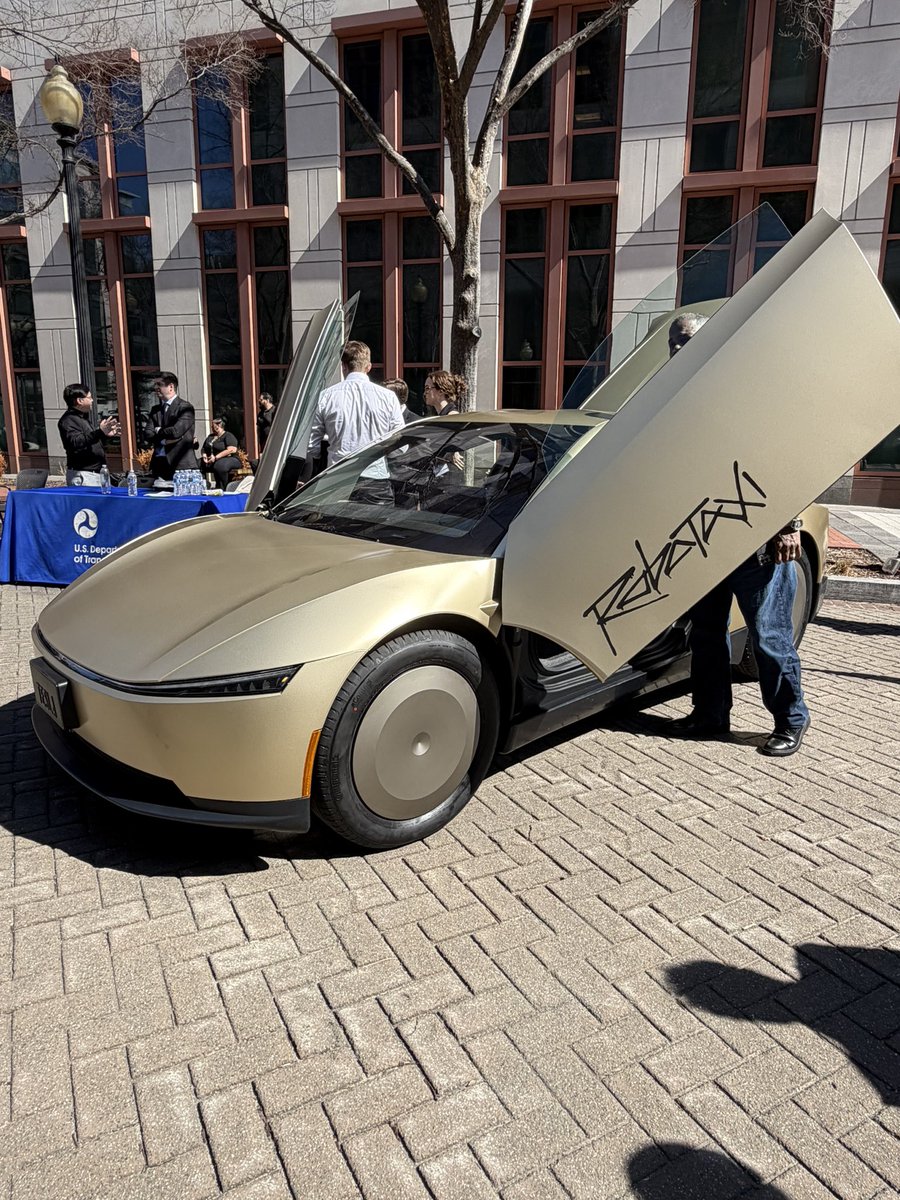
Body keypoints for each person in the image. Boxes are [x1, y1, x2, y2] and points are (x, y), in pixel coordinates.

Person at [666, 313, 810, 757]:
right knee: (706, 634)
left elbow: (787, 458)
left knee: (767, 635)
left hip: (757, 543)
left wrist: (789, 523)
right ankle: (710, 715)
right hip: (704, 542)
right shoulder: (675, 399)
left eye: (686, 340)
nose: (677, 349)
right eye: (673, 343)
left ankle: (791, 718)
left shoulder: (747, 392)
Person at [307, 341, 404, 504]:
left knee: (331, 528)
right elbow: (400, 439)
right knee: (379, 527)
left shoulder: (326, 396)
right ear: (368, 367)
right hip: (375, 477)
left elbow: (312, 446)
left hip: (337, 477)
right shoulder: (387, 397)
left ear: (343, 366)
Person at [58, 383, 120, 486]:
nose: (92, 400)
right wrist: (100, 432)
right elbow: (76, 442)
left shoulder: (83, 418)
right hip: (84, 475)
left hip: (96, 473)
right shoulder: (68, 420)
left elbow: (90, 441)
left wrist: (104, 435)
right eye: (89, 397)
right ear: (79, 400)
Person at [148, 373, 198, 481]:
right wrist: (164, 441)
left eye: (159, 384)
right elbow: (148, 434)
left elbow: (176, 431)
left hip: (181, 465)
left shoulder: (185, 407)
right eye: (155, 385)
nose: (156, 388)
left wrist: (158, 430)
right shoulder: (155, 410)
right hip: (159, 464)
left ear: (171, 387)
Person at [200, 417, 241, 489]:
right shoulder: (210, 437)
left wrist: (216, 457)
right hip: (211, 459)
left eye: (213, 426)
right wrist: (204, 455)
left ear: (218, 426)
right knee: (197, 463)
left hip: (229, 458)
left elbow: (232, 450)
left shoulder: (228, 436)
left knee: (220, 465)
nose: (211, 427)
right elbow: (203, 448)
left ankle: (222, 488)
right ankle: (203, 485)